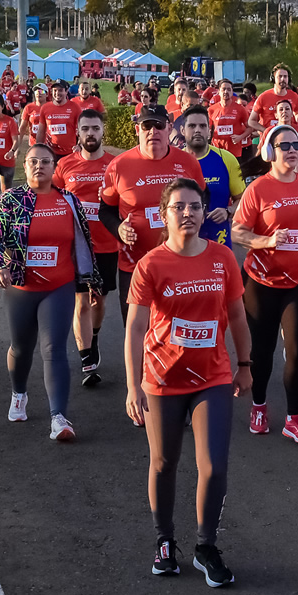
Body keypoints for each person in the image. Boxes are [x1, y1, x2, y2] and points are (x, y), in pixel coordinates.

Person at [125, 178, 252, 587]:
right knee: (164, 461)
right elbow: (135, 328)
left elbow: (237, 316)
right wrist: (132, 386)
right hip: (162, 379)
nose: (187, 214)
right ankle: (164, 541)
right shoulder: (151, 264)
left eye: (195, 206)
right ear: (164, 215)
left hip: (212, 376)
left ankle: (205, 546)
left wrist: (245, 364)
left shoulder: (222, 258)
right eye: (178, 207)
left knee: (213, 466)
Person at [0, 143, 101, 442]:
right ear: (25, 166)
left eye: (46, 161)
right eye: (33, 161)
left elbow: (84, 243)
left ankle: (58, 417)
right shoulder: (11, 200)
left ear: (54, 167)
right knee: (21, 348)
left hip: (58, 287)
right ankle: (19, 393)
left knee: (54, 349)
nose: (39, 166)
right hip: (22, 288)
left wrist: (90, 281)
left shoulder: (69, 201)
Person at [232, 125, 298, 443]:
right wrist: (267, 241)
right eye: (284, 145)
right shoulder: (258, 189)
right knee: (263, 350)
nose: (292, 150)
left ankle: (294, 419)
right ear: (269, 152)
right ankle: (259, 406)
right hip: (263, 281)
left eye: (296, 145)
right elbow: (237, 232)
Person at [99, 104, 206, 323]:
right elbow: (105, 209)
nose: (153, 131)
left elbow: (203, 198)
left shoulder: (188, 163)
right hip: (135, 264)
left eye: (159, 125)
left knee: (177, 328)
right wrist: (119, 229)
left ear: (169, 128)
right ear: (137, 130)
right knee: (136, 328)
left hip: (180, 261)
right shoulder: (118, 166)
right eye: (146, 126)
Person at [52, 109, 121, 386]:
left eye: (95, 128)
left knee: (98, 300)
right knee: (81, 301)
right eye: (85, 129)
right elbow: (52, 199)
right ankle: (87, 360)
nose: (90, 133)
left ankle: (94, 335)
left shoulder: (115, 164)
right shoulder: (65, 165)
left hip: (107, 245)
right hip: (76, 247)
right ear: (77, 133)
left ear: (102, 131)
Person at [179, 105, 245, 247]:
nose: (197, 130)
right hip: (183, 244)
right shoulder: (174, 161)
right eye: (192, 126)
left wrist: (228, 211)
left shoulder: (227, 159)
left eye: (202, 126)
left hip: (219, 242)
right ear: (182, 130)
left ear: (209, 131)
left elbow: (243, 200)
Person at [247, 64, 298, 133]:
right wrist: (266, 131)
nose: (283, 79)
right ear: (273, 79)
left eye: (285, 76)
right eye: (280, 76)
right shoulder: (264, 97)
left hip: (288, 134)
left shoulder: (294, 96)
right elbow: (251, 121)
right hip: (269, 137)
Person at [208, 78, 252, 158]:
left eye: (229, 89)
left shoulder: (240, 109)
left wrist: (240, 137)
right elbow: (208, 129)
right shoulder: (211, 109)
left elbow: (250, 128)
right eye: (223, 89)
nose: (226, 92)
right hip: (218, 151)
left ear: (232, 92)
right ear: (219, 91)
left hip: (235, 152)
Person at [35, 80, 81, 157]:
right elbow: (41, 131)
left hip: (70, 153)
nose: (57, 93)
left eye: (60, 90)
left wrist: (79, 145)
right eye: (55, 90)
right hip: (50, 152)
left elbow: (82, 129)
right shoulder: (45, 108)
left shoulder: (75, 107)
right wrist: (38, 148)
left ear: (66, 91)